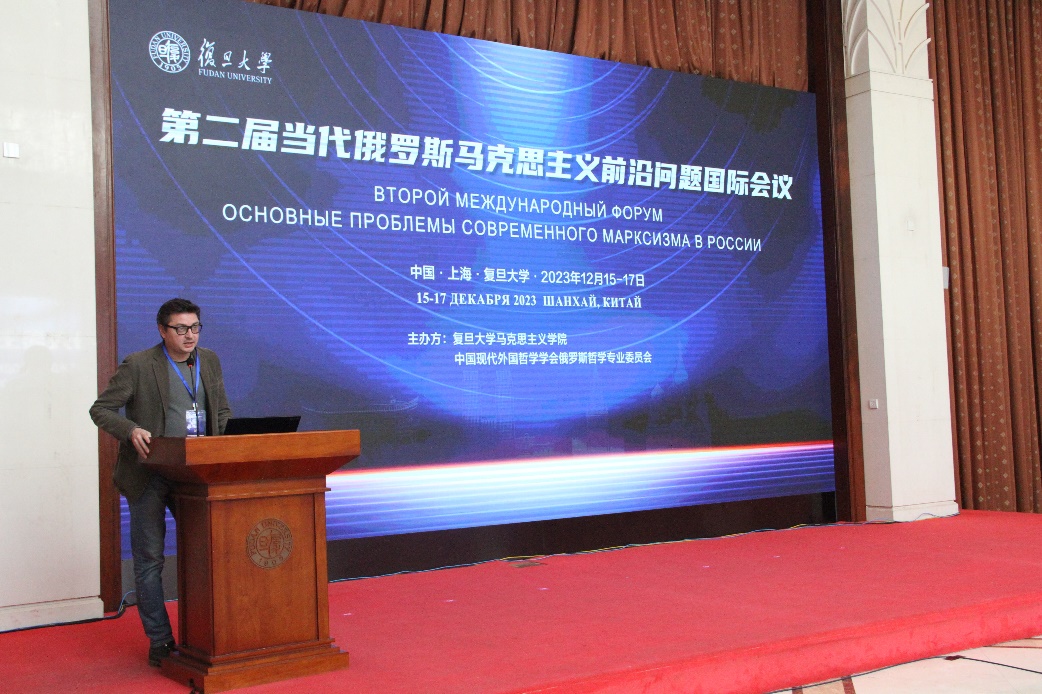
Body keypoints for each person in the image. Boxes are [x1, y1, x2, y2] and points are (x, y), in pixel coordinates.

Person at [90, 298, 231, 666]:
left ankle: (208, 635)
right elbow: (101, 409)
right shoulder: (139, 364)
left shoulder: (209, 360)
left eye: (195, 327)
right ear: (162, 330)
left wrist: (223, 446)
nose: (189, 335)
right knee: (150, 560)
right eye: (181, 328)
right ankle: (160, 641)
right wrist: (130, 429)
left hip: (196, 474)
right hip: (150, 474)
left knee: (208, 552)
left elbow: (221, 410)